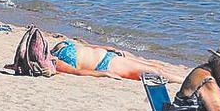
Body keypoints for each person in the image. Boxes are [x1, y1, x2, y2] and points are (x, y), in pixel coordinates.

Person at [49, 37, 177, 80]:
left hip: (109, 56)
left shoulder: (61, 45)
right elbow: (77, 72)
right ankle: (187, 83)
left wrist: (107, 48)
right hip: (106, 64)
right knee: (157, 73)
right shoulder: (55, 61)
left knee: (156, 67)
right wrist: (103, 74)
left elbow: (88, 46)